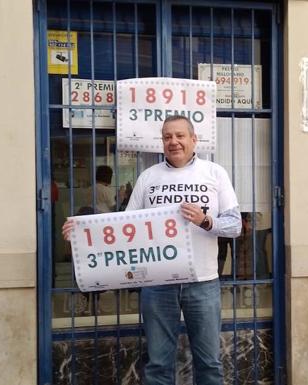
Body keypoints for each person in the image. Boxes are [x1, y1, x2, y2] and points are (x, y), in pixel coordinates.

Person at [63, 115, 241, 385]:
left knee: (209, 363)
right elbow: (124, 227)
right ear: (162, 141)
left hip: (202, 283)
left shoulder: (215, 173)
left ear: (194, 139)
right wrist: (82, 234)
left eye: (180, 135)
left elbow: (235, 225)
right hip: (158, 285)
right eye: (168, 136)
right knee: (158, 364)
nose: (174, 142)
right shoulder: (149, 177)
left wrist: (205, 220)